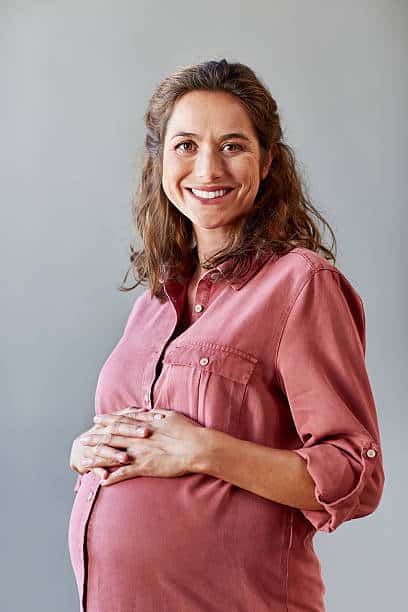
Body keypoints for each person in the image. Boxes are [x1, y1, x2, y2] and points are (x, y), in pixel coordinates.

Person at [68, 58, 385, 612]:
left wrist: (203, 451)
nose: (208, 167)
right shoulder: (155, 302)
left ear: (266, 162)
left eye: (233, 145)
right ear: (160, 163)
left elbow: (355, 472)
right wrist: (91, 455)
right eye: (185, 145)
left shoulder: (301, 284)